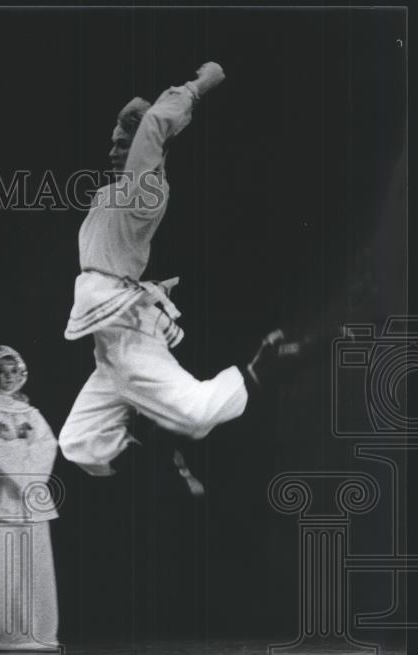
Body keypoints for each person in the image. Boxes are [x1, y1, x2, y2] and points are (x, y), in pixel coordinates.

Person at [59, 62, 303, 479]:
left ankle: (259, 369)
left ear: (145, 152)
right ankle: (154, 443)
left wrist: (199, 85)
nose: (113, 152)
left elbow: (155, 123)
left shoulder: (144, 193)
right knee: (77, 441)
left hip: (126, 328)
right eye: (113, 143)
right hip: (110, 333)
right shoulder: (110, 194)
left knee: (194, 412)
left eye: (123, 145)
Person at [0, 345, 60, 651]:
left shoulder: (32, 413)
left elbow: (47, 447)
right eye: (0, 372)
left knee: (33, 564)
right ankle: (0, 634)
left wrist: (17, 449)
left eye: (13, 371)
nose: (7, 377)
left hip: (29, 500)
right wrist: (21, 447)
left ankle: (35, 632)